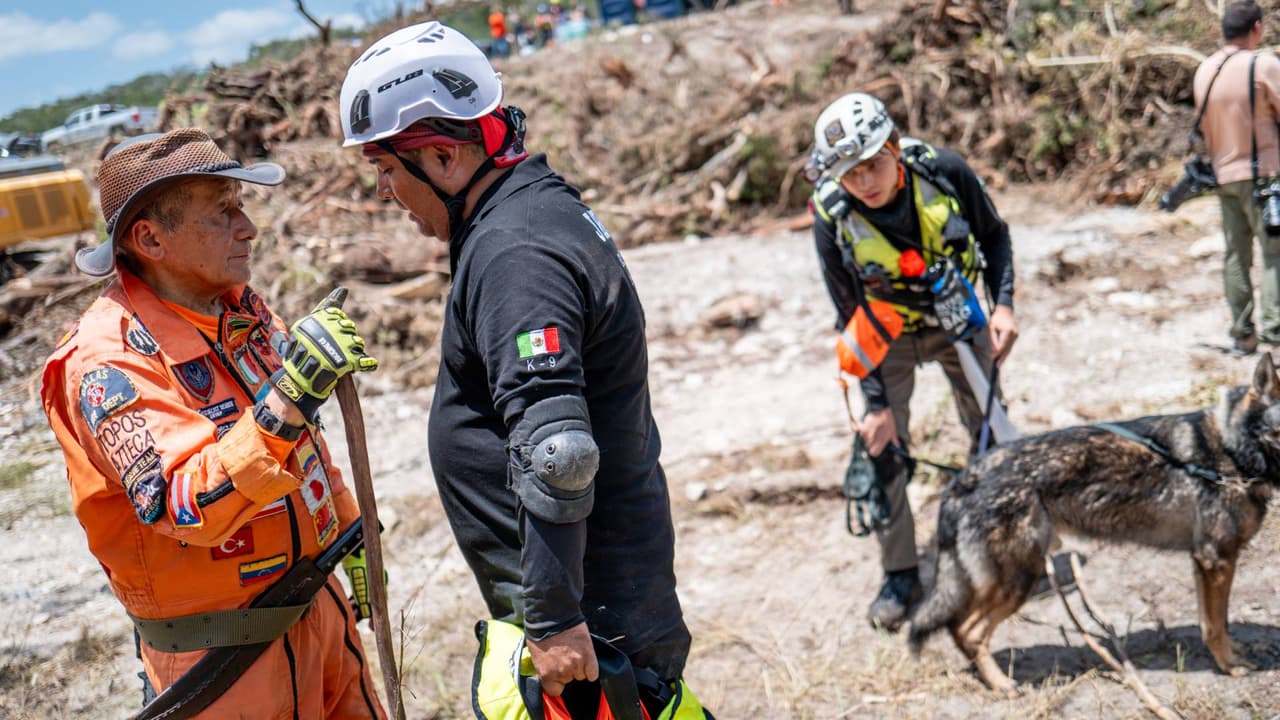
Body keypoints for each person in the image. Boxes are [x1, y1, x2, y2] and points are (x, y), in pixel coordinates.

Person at [340, 22, 709, 719]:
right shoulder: (532, 212)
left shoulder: (515, 251)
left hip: (590, 632)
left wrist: (552, 618)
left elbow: (557, 450)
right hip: (596, 603)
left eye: (386, 170)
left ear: (444, 155)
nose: (386, 191)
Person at [40, 128, 386, 718]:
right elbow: (184, 505)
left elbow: (306, 447)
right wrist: (293, 393)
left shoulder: (240, 312)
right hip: (224, 663)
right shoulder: (108, 360)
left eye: (242, 205)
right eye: (223, 211)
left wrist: (352, 534)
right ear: (149, 238)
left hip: (320, 616)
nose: (247, 226)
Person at [807, 92, 1018, 631]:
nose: (865, 182)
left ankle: (996, 549)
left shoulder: (944, 171)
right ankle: (901, 574)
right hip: (889, 331)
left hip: (959, 317)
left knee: (992, 435)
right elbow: (848, 310)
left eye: (874, 165)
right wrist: (875, 404)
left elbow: (995, 236)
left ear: (895, 148)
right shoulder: (832, 216)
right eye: (850, 174)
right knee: (883, 449)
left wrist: (1005, 306)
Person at [1194, 0, 1280, 355]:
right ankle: (1275, 335)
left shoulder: (1205, 70)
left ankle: (1242, 334)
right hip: (1265, 176)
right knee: (1275, 254)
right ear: (1256, 28)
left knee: (1235, 255)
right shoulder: (1263, 65)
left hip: (1224, 176)